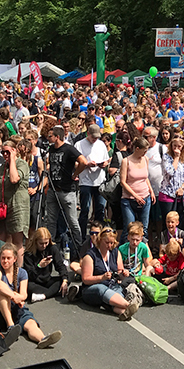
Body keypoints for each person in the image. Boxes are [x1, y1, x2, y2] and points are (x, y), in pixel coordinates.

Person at [0, 243, 63, 349]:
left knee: (30, 323)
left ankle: (43, 339)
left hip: (15, 308)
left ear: (15, 259)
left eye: (8, 258)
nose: (5, 261)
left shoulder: (22, 273)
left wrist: (18, 297)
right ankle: (10, 326)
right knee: (2, 292)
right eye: (3, 258)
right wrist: (13, 295)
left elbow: (24, 294)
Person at [43, 126, 88, 258]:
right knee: (50, 220)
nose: (48, 138)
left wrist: (75, 174)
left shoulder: (68, 149)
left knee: (72, 221)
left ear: (57, 137)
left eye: (51, 136)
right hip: (53, 189)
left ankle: (78, 250)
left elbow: (83, 162)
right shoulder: (51, 149)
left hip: (67, 191)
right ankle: (49, 249)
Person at [80, 228, 137, 320]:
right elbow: (86, 279)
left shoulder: (115, 252)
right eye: (107, 243)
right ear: (100, 240)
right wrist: (101, 278)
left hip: (112, 285)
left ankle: (123, 312)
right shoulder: (90, 256)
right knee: (100, 288)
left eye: (112, 243)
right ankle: (128, 305)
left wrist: (123, 274)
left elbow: (119, 271)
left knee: (118, 290)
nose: (109, 246)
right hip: (93, 288)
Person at [0, 140, 30, 266]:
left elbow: (14, 179)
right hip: (5, 205)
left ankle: (18, 271)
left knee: (17, 241)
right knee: (3, 239)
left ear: (14, 150)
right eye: (3, 152)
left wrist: (12, 159)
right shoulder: (2, 167)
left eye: (8, 151)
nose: (5, 154)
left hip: (19, 205)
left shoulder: (21, 164)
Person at [75, 125, 108, 239]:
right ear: (87, 133)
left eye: (97, 137)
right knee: (85, 209)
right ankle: (82, 236)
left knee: (100, 209)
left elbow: (106, 159)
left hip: (99, 180)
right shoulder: (79, 144)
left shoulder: (101, 144)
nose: (95, 140)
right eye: (93, 137)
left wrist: (104, 164)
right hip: (85, 181)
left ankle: (100, 236)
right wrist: (86, 164)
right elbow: (75, 163)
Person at [119, 137, 155, 240]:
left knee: (144, 229)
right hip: (129, 199)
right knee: (129, 228)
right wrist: (135, 196)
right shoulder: (126, 161)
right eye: (144, 151)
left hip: (145, 196)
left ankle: (143, 252)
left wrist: (151, 191)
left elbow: (145, 177)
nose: (145, 153)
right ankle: (124, 253)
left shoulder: (145, 159)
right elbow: (123, 182)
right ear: (137, 149)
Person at [23, 227, 68, 300]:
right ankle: (52, 292)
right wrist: (39, 266)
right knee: (26, 285)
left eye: (46, 243)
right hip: (34, 282)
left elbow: (60, 265)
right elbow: (29, 275)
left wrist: (64, 280)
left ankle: (43, 296)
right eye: (41, 243)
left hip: (47, 280)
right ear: (36, 242)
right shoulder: (28, 253)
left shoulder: (52, 248)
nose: (44, 246)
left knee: (64, 281)